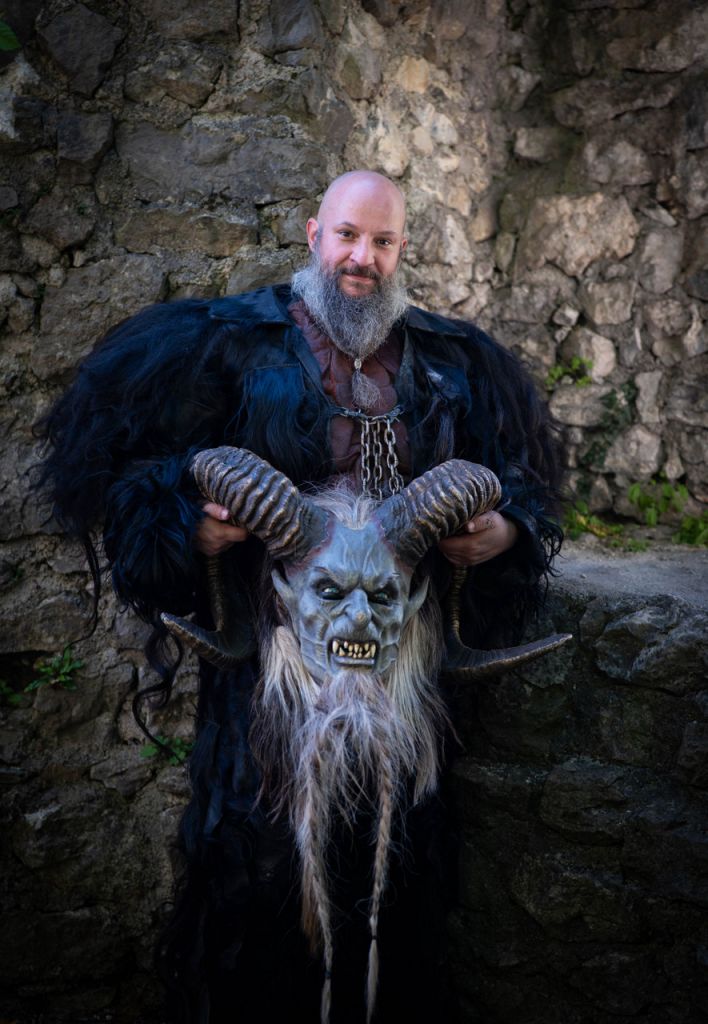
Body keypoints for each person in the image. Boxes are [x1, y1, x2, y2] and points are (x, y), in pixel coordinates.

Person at [38, 170, 563, 1023]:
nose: (363, 258)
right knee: (257, 870)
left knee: (401, 869)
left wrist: (506, 534)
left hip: (404, 668)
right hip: (271, 674)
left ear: (402, 250)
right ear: (315, 234)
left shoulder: (461, 364)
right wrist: (189, 526)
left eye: (382, 242)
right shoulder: (221, 344)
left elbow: (526, 485)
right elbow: (126, 476)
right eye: (348, 235)